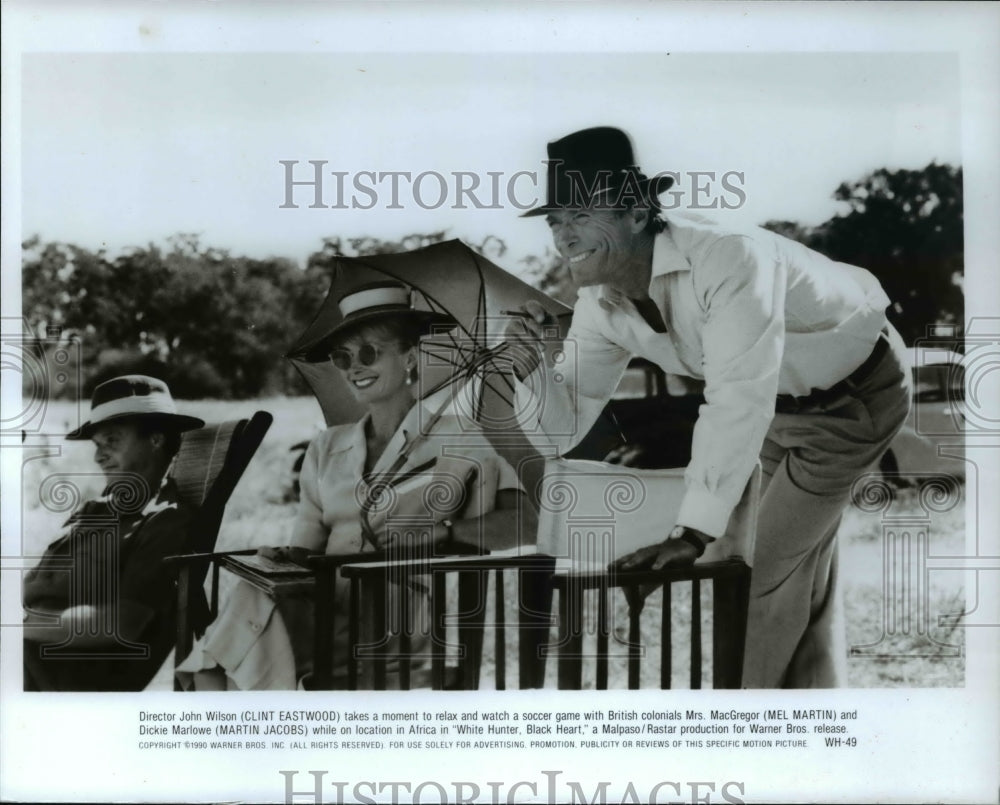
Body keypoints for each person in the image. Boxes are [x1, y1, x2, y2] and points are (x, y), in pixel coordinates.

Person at [505, 126, 912, 688]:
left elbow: (737, 395)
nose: (563, 236)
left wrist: (690, 534)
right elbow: (563, 427)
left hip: (855, 394)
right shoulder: (598, 306)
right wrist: (530, 370)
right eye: (555, 221)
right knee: (790, 568)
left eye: (579, 215)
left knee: (760, 570)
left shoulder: (727, 256)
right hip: (776, 407)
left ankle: (741, 728)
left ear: (637, 214)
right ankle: (815, 713)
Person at [177, 281, 536, 690]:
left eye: (368, 352)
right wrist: (282, 557)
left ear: (411, 360)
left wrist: (443, 531)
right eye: (342, 357)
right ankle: (235, 703)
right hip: (322, 605)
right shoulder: (328, 446)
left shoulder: (465, 440)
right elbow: (306, 549)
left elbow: (525, 521)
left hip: (394, 619)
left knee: (227, 654)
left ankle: (224, 704)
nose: (353, 368)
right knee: (256, 593)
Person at [22, 375, 205, 691]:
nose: (98, 456)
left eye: (112, 441)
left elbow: (122, 623)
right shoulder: (98, 510)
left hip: (57, 672)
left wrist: (18, 625)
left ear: (156, 439)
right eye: (98, 445)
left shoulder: (164, 523)